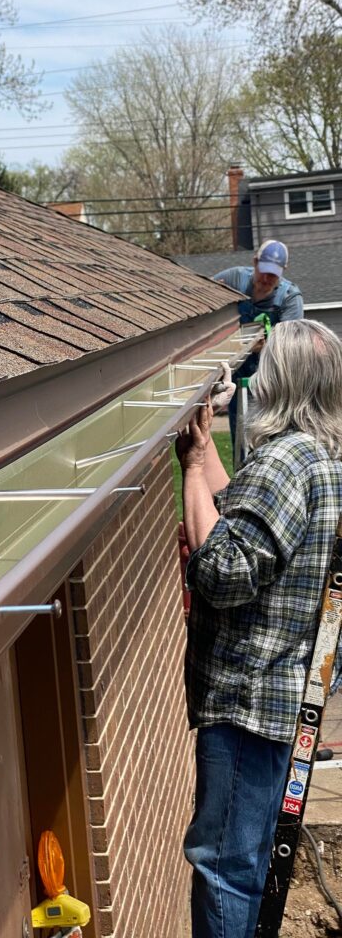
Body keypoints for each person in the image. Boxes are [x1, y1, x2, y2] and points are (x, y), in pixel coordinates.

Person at [176, 320, 342, 938]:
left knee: (223, 868)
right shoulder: (323, 460)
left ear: (282, 381)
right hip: (281, 701)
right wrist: (208, 455)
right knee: (243, 860)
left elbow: (219, 571)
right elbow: (244, 517)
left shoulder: (282, 462)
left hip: (247, 703)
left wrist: (192, 468)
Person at [212, 239, 304, 445]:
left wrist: (266, 346)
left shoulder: (289, 298)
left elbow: (291, 346)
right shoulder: (234, 278)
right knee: (241, 430)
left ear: (283, 270)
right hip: (237, 371)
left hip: (271, 374)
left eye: (273, 274)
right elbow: (203, 293)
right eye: (263, 270)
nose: (266, 278)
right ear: (255, 262)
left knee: (271, 431)